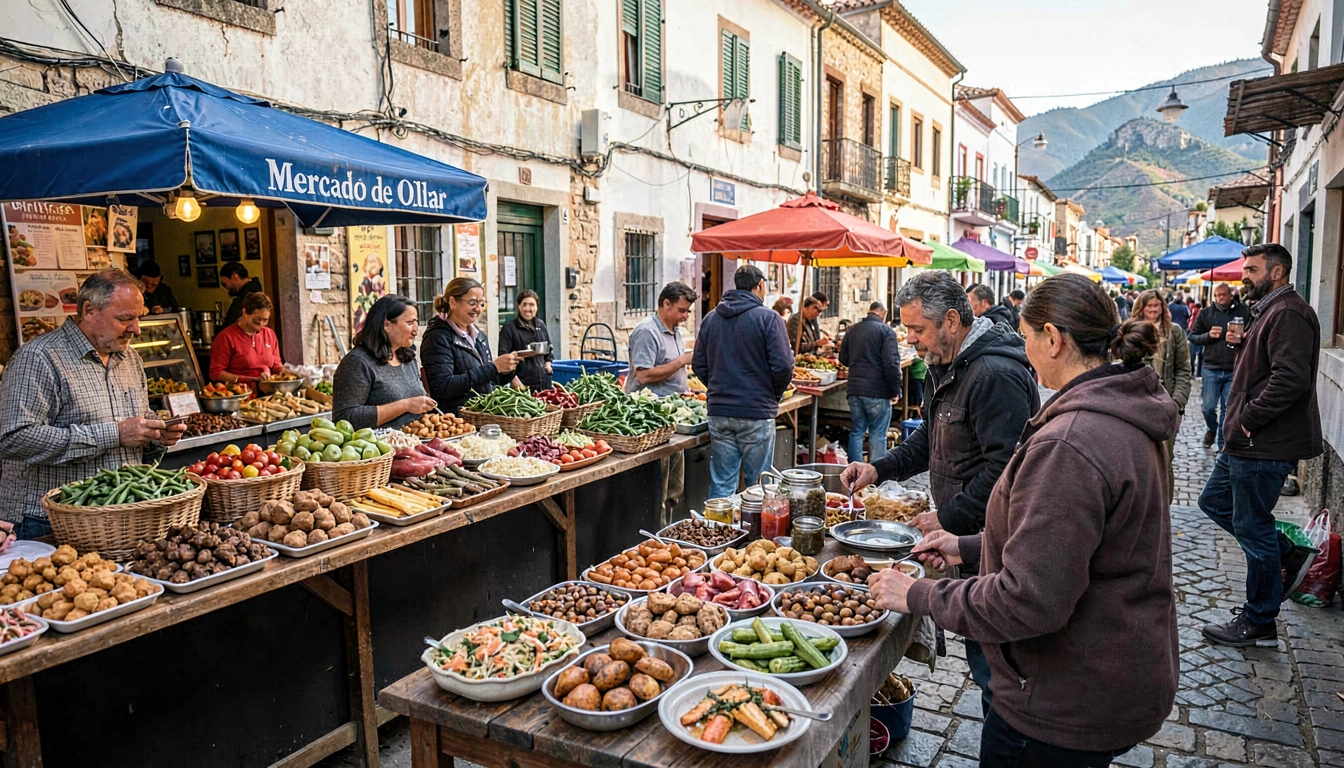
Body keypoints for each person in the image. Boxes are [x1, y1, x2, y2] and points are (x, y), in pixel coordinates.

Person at [866, 273, 1179, 768]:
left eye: (1028, 335)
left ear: (1053, 340)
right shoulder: (1115, 413)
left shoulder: (1070, 441)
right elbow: (1064, 540)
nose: (1023, 346)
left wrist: (919, 595)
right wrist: (968, 547)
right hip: (1094, 673)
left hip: (1061, 695)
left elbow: (1028, 599)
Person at [841, 270, 1038, 715]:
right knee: (983, 654)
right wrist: (878, 468)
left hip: (991, 542)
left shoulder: (993, 375)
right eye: (907, 328)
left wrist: (947, 517)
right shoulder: (945, 365)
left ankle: (1008, 744)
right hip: (963, 540)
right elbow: (929, 439)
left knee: (996, 665)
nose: (910, 339)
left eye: (917, 329)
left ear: (951, 320)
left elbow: (1006, 471)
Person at [0, 270, 187, 539]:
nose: (136, 329)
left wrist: (156, 437)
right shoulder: (38, 358)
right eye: (125, 319)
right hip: (47, 521)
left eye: (138, 318)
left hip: (119, 518)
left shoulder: (130, 359)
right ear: (89, 310)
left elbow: (134, 442)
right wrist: (116, 434)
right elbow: (14, 438)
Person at [1199, 243, 1322, 648]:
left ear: (1277, 272)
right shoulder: (1269, 310)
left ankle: (1259, 621)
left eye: (1251, 269)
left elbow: (1291, 379)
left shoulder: (1288, 313)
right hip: (1244, 441)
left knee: (1253, 528)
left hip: (1262, 443)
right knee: (1214, 503)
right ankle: (1286, 554)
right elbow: (1272, 368)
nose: (1243, 276)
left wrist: (1248, 420)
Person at [692, 265, 794, 500]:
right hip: (756, 411)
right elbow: (784, 366)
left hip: (720, 411)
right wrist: (773, 394)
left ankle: (717, 531)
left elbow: (699, 364)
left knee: (722, 483)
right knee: (759, 484)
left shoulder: (711, 318)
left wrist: (718, 387)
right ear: (760, 285)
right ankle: (754, 536)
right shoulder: (769, 318)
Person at [627, 282, 698, 523]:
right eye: (681, 310)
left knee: (674, 487)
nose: (685, 316)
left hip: (673, 418)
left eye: (687, 311)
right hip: (651, 419)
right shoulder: (647, 331)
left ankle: (669, 531)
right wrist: (682, 361)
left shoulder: (674, 330)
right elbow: (643, 375)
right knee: (659, 486)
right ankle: (657, 536)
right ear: (665, 303)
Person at [332, 295, 437, 430]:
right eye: (410, 323)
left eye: (416, 322)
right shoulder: (357, 363)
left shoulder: (407, 357)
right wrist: (405, 405)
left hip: (416, 442)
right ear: (387, 325)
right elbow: (346, 417)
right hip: (379, 448)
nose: (416, 331)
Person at [421, 278, 520, 414]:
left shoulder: (479, 336)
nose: (478, 309)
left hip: (481, 414)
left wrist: (507, 369)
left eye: (481, 303)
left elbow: (489, 380)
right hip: (455, 419)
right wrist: (493, 367)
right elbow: (442, 387)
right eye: (472, 302)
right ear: (453, 302)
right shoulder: (437, 338)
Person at [1133, 289, 1191, 501]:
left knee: (1164, 459)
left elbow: (1184, 369)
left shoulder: (1174, 331)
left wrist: (1177, 403)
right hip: (1138, 404)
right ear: (1141, 308)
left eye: (1156, 306)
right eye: (1149, 306)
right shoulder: (1132, 330)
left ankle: (1163, 511)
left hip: (1165, 403)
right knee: (1138, 459)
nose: (1153, 310)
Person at [1187, 283, 1250, 449]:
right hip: (1211, 367)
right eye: (1217, 295)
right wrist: (1209, 336)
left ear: (1231, 295)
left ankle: (1223, 446)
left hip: (1234, 368)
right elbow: (1193, 336)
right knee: (1208, 407)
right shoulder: (1207, 313)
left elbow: (1253, 335)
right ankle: (1211, 428)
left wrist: (1242, 338)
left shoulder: (1243, 312)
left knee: (1228, 410)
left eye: (1223, 295)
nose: (1220, 298)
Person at [839, 302, 901, 463]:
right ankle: (876, 474)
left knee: (857, 430)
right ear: (883, 314)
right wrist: (896, 389)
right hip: (878, 391)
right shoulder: (886, 332)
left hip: (854, 389)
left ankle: (854, 471)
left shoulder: (852, 330)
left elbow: (843, 358)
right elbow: (891, 364)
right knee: (878, 433)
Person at [209, 292, 283, 384]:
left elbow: (276, 364)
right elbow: (216, 373)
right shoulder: (226, 337)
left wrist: (286, 371)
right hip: (240, 391)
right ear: (245, 313)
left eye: (265, 320)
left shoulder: (269, 334)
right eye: (257, 319)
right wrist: (250, 379)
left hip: (267, 391)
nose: (261, 324)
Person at [497, 289, 553, 391]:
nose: (528, 308)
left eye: (532, 305)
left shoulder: (541, 325)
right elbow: (503, 359)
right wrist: (518, 385)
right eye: (524, 304)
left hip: (543, 384)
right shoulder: (509, 329)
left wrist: (547, 364)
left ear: (537, 307)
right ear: (519, 306)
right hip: (522, 384)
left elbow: (548, 350)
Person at [220, 262, 263, 329]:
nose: (227, 288)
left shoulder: (251, 293)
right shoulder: (246, 292)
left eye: (225, 284)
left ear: (234, 276)